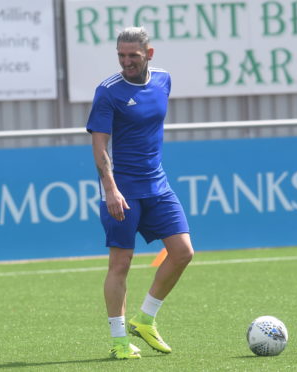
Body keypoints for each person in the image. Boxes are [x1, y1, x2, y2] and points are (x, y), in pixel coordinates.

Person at [86, 26, 194, 360]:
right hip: (125, 191)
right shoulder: (108, 92)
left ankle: (145, 319)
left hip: (158, 186)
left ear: (149, 53)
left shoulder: (164, 80)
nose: (126, 61)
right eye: (121, 55)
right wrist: (111, 190)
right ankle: (119, 341)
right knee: (121, 263)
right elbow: (100, 144)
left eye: (133, 55)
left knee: (183, 252)